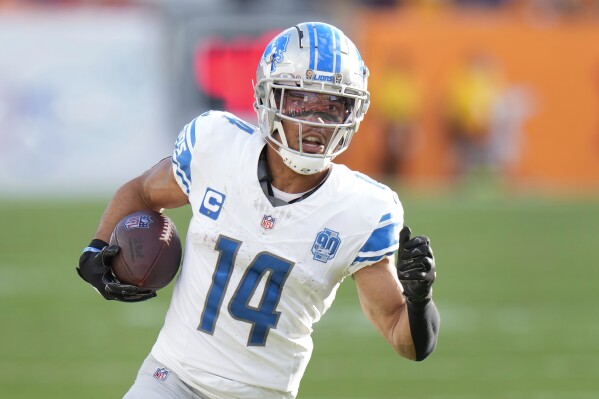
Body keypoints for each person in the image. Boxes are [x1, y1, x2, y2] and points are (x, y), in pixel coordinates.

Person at [77, 22, 440, 399]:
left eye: (332, 106)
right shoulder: (217, 145)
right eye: (301, 100)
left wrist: (419, 300)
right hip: (170, 379)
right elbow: (141, 191)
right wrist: (96, 247)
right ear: (270, 97)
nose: (315, 121)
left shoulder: (362, 209)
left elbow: (406, 339)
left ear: (353, 111)